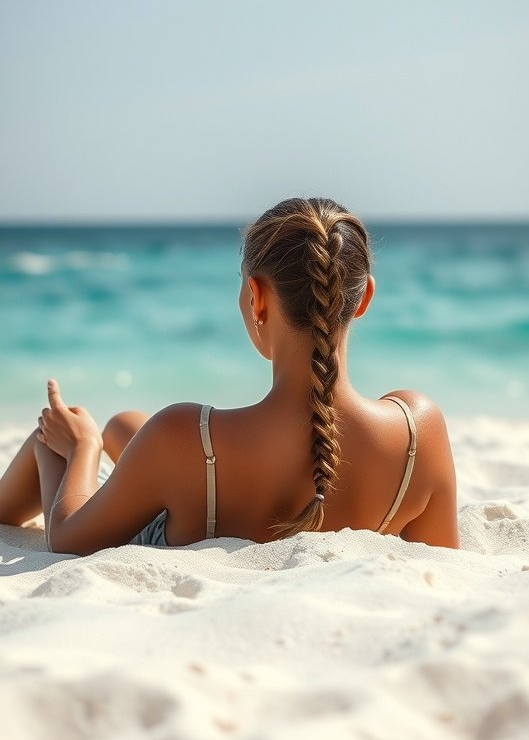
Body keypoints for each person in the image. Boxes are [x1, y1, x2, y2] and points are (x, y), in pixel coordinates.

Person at [0, 197, 459, 555]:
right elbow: (443, 559)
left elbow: (67, 537)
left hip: (193, 489)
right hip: (199, 474)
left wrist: (82, 448)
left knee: (58, 434)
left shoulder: (186, 434)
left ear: (256, 297)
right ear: (363, 299)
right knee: (125, 424)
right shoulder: (419, 430)